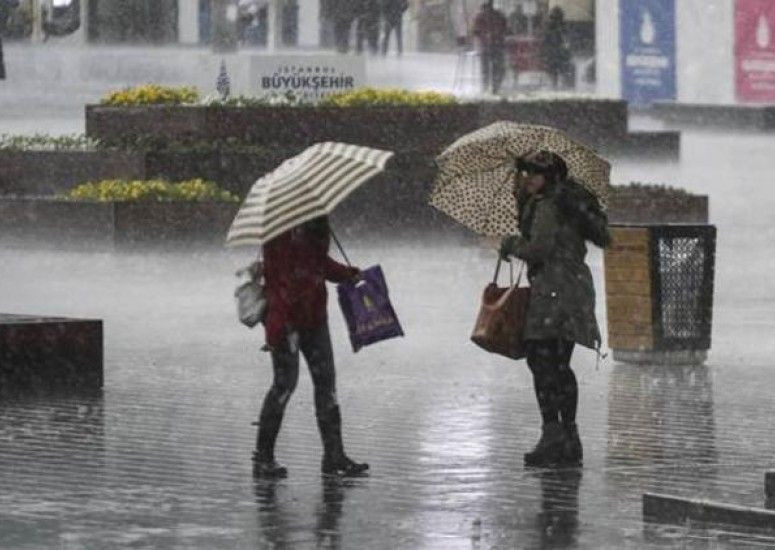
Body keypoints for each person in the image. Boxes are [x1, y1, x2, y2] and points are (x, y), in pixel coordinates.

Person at [499, 151, 611, 468]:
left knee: (542, 361)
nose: (528, 179)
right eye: (526, 174)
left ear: (550, 177)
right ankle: (569, 437)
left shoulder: (547, 205)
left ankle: (552, 436)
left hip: (553, 290)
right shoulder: (565, 202)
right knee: (560, 364)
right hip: (572, 289)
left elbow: (539, 249)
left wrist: (511, 245)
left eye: (534, 174)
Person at [254, 216, 369, 478]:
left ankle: (334, 456)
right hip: (286, 320)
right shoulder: (278, 228)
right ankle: (263, 458)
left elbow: (319, 263)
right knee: (284, 385)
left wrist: (347, 274)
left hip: (315, 318)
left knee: (326, 384)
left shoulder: (315, 222)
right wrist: (284, 321)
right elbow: (280, 272)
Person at [472, 0, 508, 95]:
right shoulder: (499, 15)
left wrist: (484, 36)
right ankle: (494, 87)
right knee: (497, 68)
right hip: (496, 46)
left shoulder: (480, 16)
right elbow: (505, 28)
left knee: (486, 68)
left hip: (487, 47)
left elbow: (476, 31)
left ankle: (487, 86)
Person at [540, 6, 572, 89]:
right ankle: (556, 83)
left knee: (557, 68)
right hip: (554, 50)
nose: (556, 18)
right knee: (556, 68)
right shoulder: (552, 25)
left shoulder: (561, 25)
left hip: (556, 50)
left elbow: (566, 36)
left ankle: (558, 83)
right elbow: (546, 37)